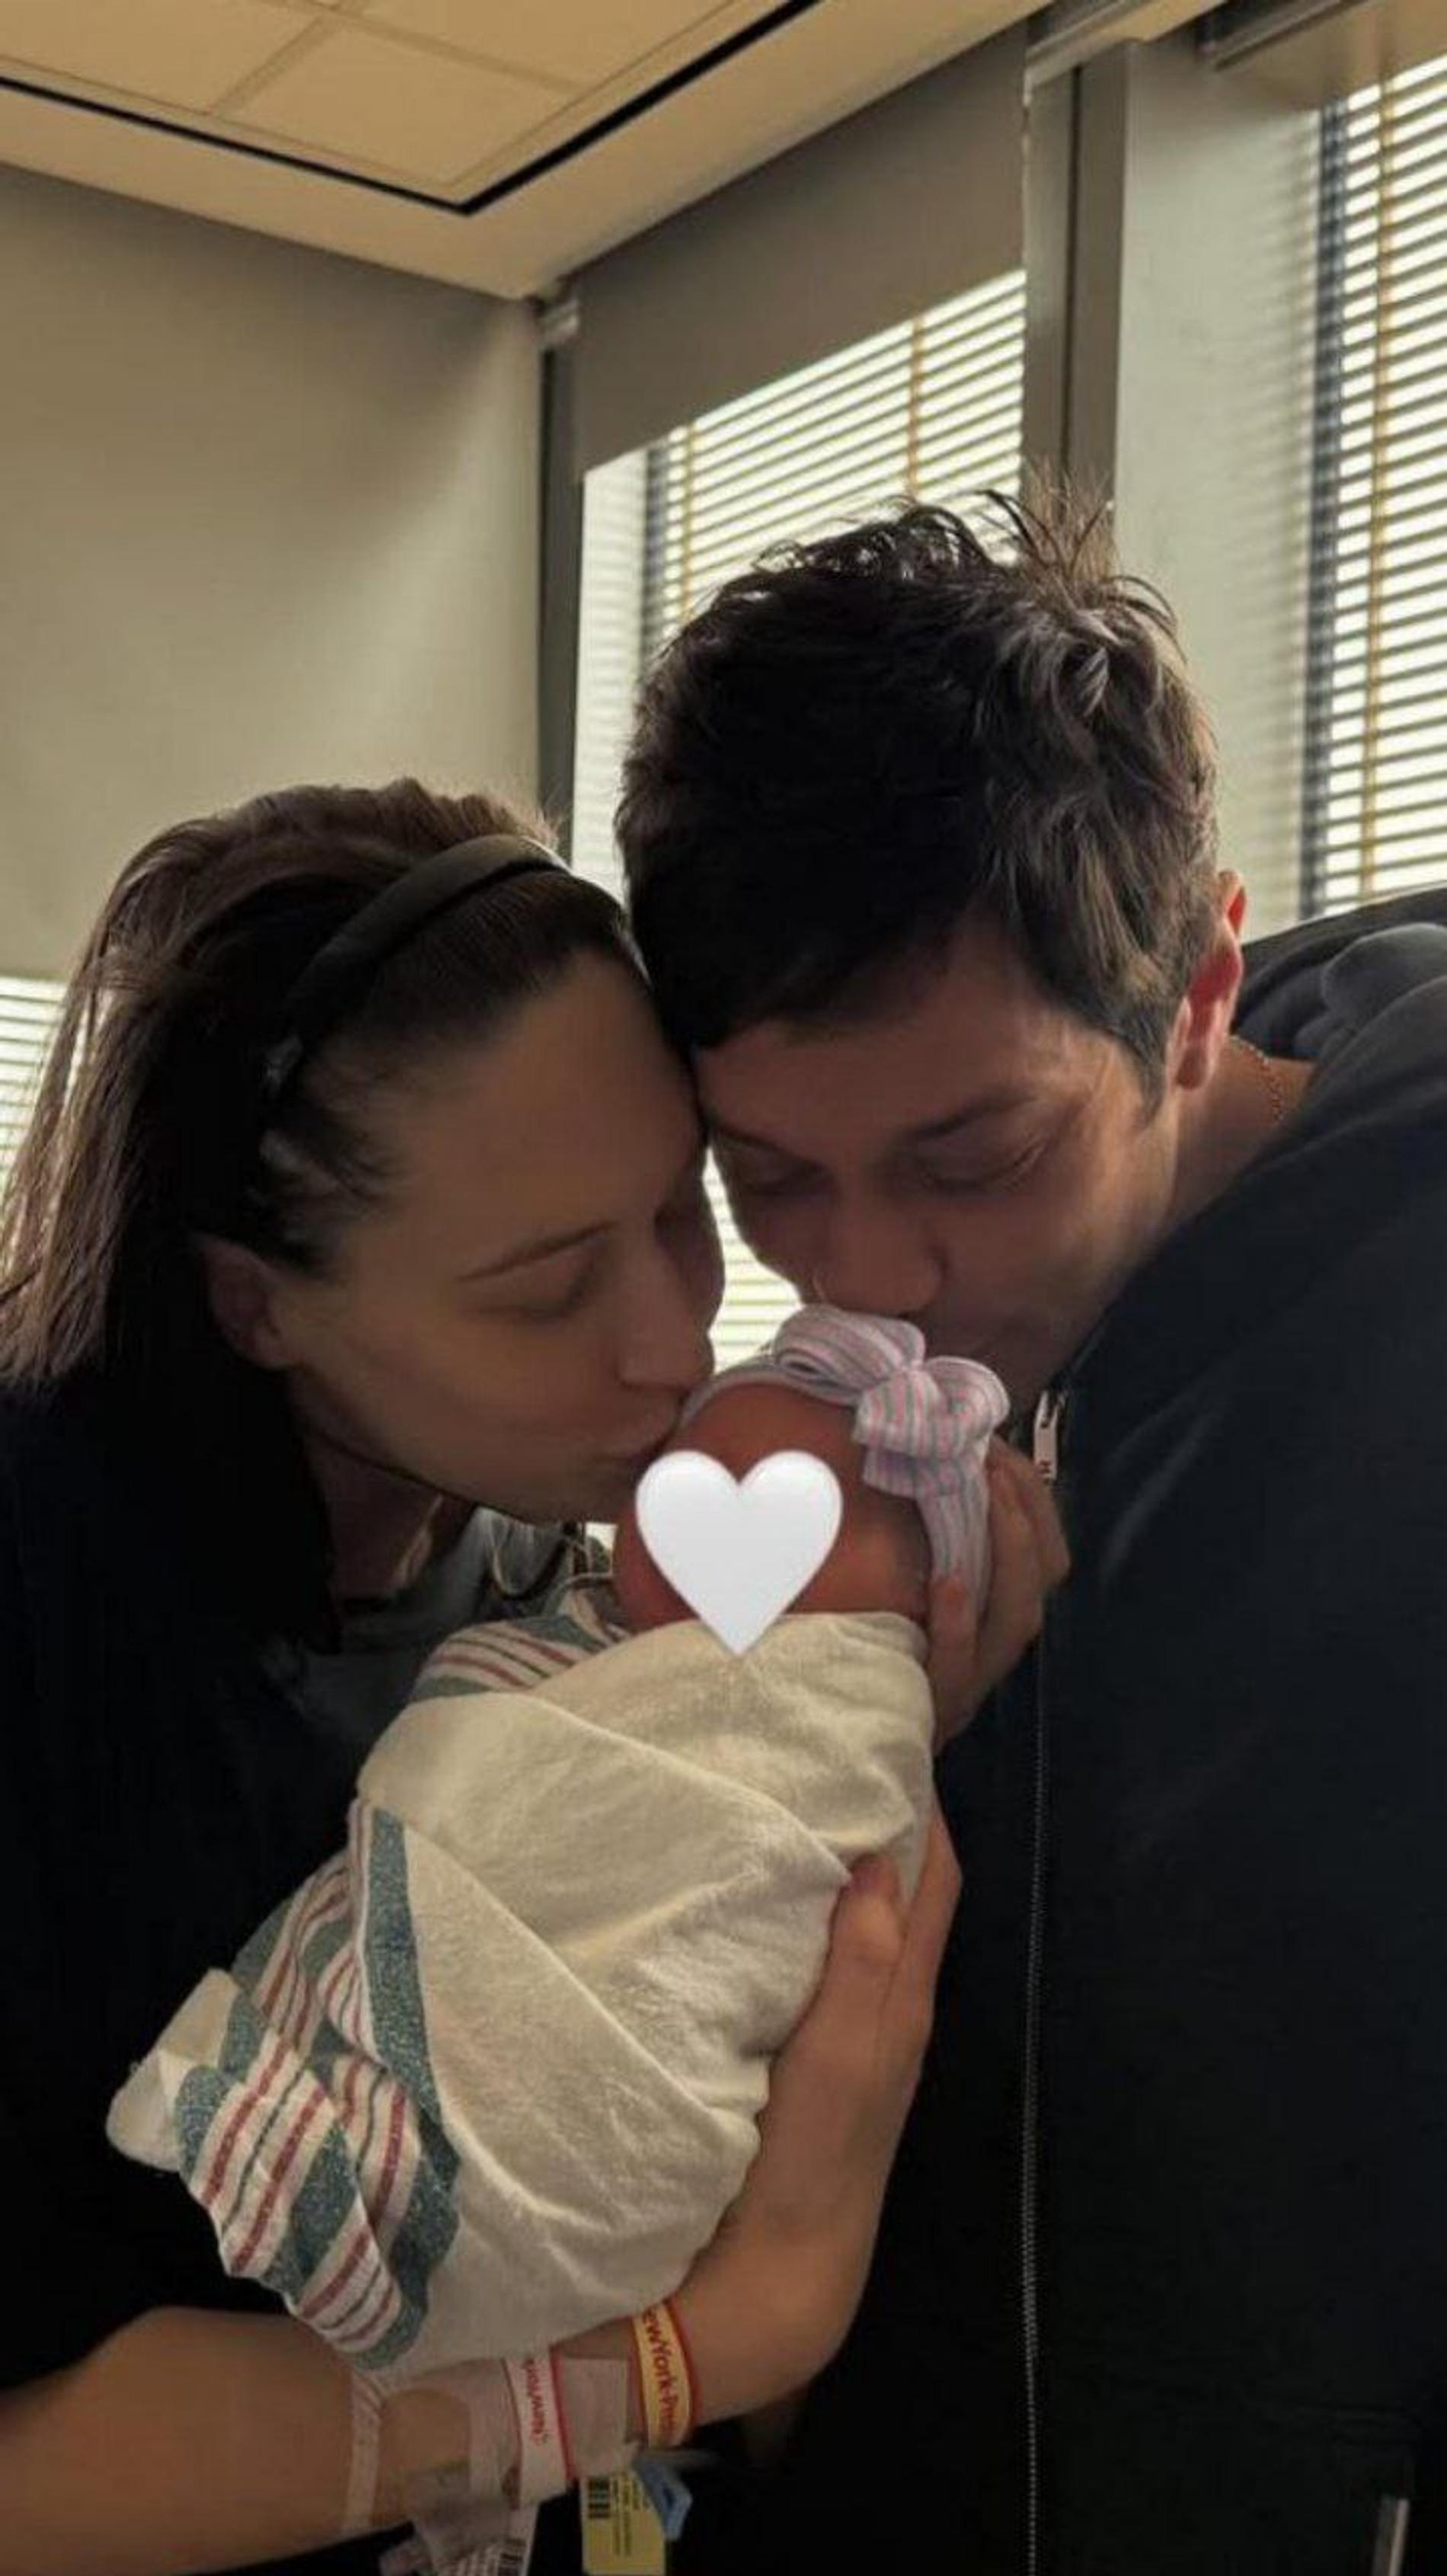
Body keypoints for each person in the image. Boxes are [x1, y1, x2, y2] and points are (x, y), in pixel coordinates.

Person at [0, 781, 1061, 2576]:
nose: (670, 1342)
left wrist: (852, 1749)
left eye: (680, 1213)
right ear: (255, 1303)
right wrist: (692, 2350)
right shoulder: (48, 1598)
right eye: (547, 1288)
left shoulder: (570, 1588)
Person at [615, 494, 1447, 2573]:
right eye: (765, 1177)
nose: (861, 1273)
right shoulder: (878, 1418)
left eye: (970, 1155)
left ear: (1196, 990)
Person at [104, 1309, 1015, 2395]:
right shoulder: (565, 1632)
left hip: (632, 2111)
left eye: (805, 1515)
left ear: (927, 1597)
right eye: (684, 1487)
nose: (714, 1550)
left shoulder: (851, 1712)